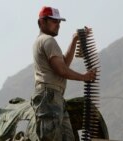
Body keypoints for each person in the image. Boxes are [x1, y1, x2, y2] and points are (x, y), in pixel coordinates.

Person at [31, 6, 96, 141]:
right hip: (49, 97)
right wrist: (84, 77)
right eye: (54, 21)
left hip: (54, 97)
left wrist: (74, 40)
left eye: (59, 22)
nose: (58, 25)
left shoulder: (43, 41)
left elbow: (63, 65)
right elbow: (61, 70)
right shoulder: (48, 40)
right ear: (42, 22)